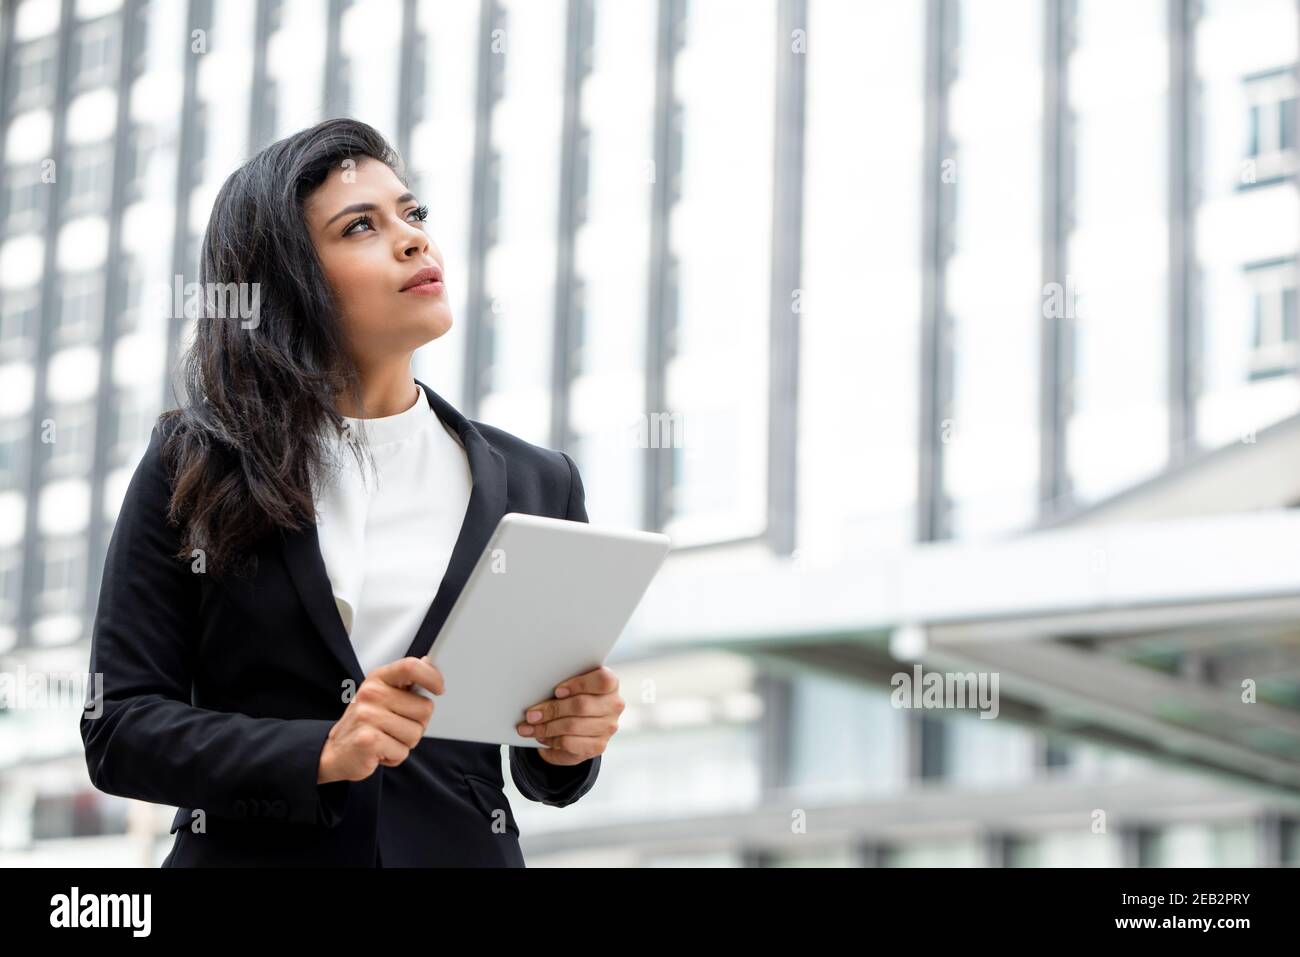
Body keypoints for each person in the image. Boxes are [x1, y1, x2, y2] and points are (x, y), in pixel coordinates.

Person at [79, 117, 624, 866]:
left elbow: (539, 764)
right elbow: (121, 729)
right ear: (287, 279)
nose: (412, 239)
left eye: (413, 213)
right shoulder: (194, 459)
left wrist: (569, 740)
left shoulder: (537, 480)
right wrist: (322, 750)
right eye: (360, 226)